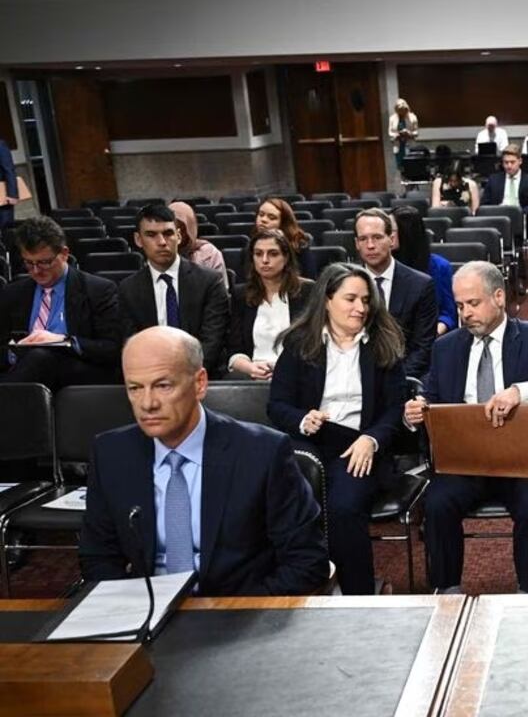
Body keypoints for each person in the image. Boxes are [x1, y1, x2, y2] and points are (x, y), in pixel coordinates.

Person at [80, 327, 328, 596]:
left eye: (163, 386)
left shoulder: (262, 453)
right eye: (135, 388)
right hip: (146, 611)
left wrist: (234, 612)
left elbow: (307, 561)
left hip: (238, 610)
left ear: (199, 383)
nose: (147, 403)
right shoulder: (111, 454)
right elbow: (98, 558)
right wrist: (133, 609)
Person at [404, 261, 528, 594]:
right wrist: (417, 409)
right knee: (437, 503)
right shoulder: (446, 347)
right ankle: (447, 591)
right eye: (460, 306)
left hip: (523, 459)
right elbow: (430, 395)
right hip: (465, 461)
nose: (465, 314)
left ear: (499, 297)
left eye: (473, 303)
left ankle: (526, 590)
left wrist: (521, 391)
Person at [268, 263, 407, 595]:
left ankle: (357, 596)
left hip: (358, 444)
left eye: (365, 300)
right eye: (351, 299)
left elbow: (395, 409)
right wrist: (303, 419)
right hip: (310, 442)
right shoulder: (300, 343)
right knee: (288, 502)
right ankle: (301, 589)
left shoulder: (382, 343)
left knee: (343, 507)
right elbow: (277, 405)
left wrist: (372, 439)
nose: (361, 308)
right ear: (327, 300)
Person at [0, 216, 122, 389]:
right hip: (26, 371)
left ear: (64, 254)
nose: (36, 271)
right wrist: (15, 353)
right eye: (29, 263)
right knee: (35, 359)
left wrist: (65, 341)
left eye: (44, 262)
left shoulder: (98, 290)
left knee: (40, 358)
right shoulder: (13, 293)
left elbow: (112, 348)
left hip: (78, 372)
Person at [119, 203, 229, 375]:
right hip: (152, 376)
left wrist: (183, 375)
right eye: (151, 235)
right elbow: (133, 343)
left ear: (178, 236)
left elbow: (212, 341)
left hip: (200, 373)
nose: (162, 242)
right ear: (138, 240)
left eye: (168, 233)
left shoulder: (209, 281)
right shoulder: (128, 289)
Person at [353, 208, 437, 379]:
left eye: (377, 237)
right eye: (363, 239)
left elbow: (423, 347)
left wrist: (394, 381)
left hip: (404, 377)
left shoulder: (420, 285)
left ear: (391, 239)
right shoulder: (344, 285)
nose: (370, 245)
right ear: (356, 243)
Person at [227, 229, 314, 380]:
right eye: (258, 254)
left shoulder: (307, 291)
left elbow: (314, 343)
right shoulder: (241, 294)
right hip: (254, 374)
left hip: (296, 373)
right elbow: (235, 350)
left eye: (273, 254)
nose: (265, 260)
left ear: (286, 257)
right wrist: (250, 368)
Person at [391, 206, 456, 334]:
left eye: (390, 230)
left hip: (430, 334)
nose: (386, 234)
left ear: (406, 232)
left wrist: (433, 333)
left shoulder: (440, 267)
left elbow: (448, 314)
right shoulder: (384, 265)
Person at [481, 144, 528, 255]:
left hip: (522, 217)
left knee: (522, 218)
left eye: (512, 162)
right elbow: (484, 204)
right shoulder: (494, 180)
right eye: (506, 162)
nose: (509, 166)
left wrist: (522, 212)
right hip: (498, 218)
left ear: (520, 161)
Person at [170, 201, 228, 288]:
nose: (177, 234)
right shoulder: (158, 252)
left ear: (190, 229)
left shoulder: (209, 254)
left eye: (182, 228)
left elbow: (221, 290)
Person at [254, 197, 316, 277]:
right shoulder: (251, 246)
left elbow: (309, 278)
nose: (263, 220)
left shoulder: (298, 247)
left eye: (272, 217)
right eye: (261, 215)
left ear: (283, 223)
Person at [388, 98, 419, 176]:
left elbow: (416, 132)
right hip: (398, 146)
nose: (402, 113)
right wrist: (396, 135)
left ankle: (410, 181)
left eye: (403, 111)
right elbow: (390, 133)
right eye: (400, 111)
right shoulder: (392, 118)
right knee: (401, 167)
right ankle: (403, 180)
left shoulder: (413, 117)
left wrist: (409, 133)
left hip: (409, 144)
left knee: (411, 166)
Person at [0, 138, 16, 230]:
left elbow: (9, 170)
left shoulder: (0, 145)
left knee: (5, 227)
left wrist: (12, 194)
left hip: (2, 195)